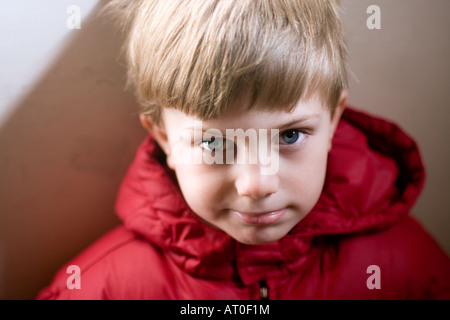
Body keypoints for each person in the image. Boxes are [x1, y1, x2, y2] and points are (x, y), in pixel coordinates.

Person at [37, 0, 449, 299]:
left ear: (334, 120)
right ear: (164, 139)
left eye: (290, 136)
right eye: (215, 143)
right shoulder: (101, 288)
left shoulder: (408, 268)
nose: (256, 184)